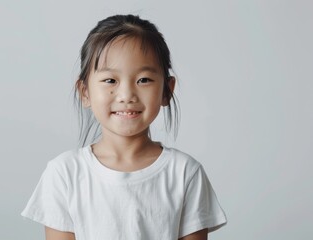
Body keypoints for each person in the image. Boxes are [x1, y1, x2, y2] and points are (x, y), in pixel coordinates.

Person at [21, 14, 227, 240]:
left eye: (144, 80)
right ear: (85, 92)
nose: (127, 95)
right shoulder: (64, 174)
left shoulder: (185, 173)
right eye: (110, 80)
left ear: (167, 90)